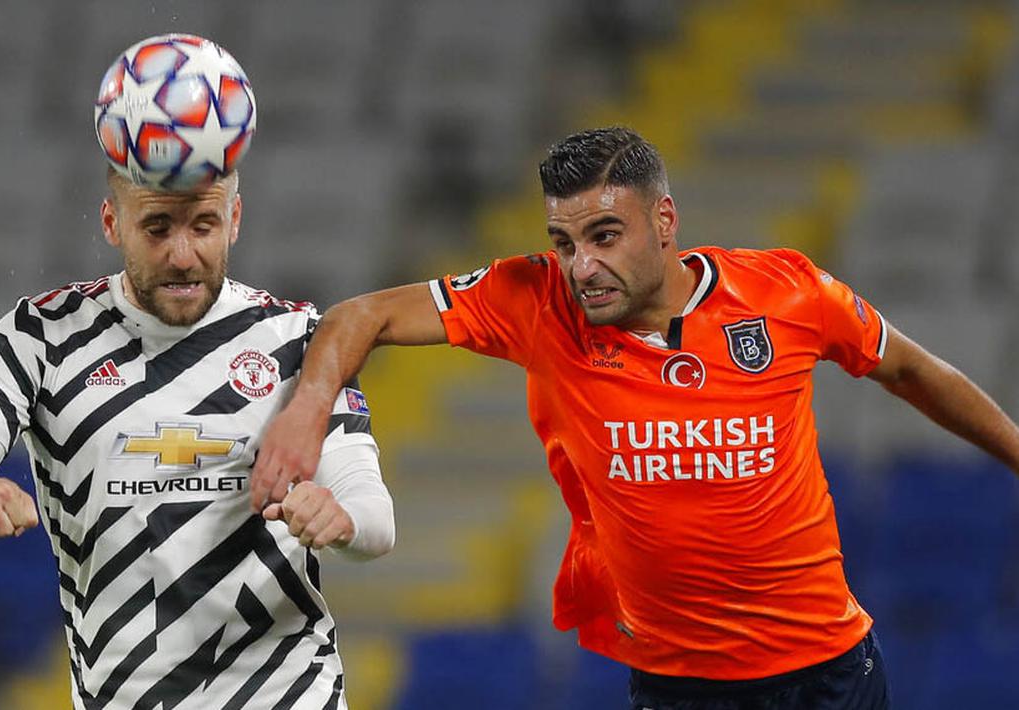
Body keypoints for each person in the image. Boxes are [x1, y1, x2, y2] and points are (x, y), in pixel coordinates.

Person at [250, 126, 1019, 709]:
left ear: (664, 220)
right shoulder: (535, 301)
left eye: (604, 236)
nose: (581, 265)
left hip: (826, 675)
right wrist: (307, 412)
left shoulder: (785, 293)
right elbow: (360, 315)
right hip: (675, 686)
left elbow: (910, 369)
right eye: (563, 242)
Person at [0, 162, 395, 709]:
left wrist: (342, 519)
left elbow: (374, 516)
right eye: (157, 228)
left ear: (234, 218)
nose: (182, 255)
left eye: (203, 226)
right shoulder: (39, 337)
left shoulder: (298, 339)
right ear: (112, 223)